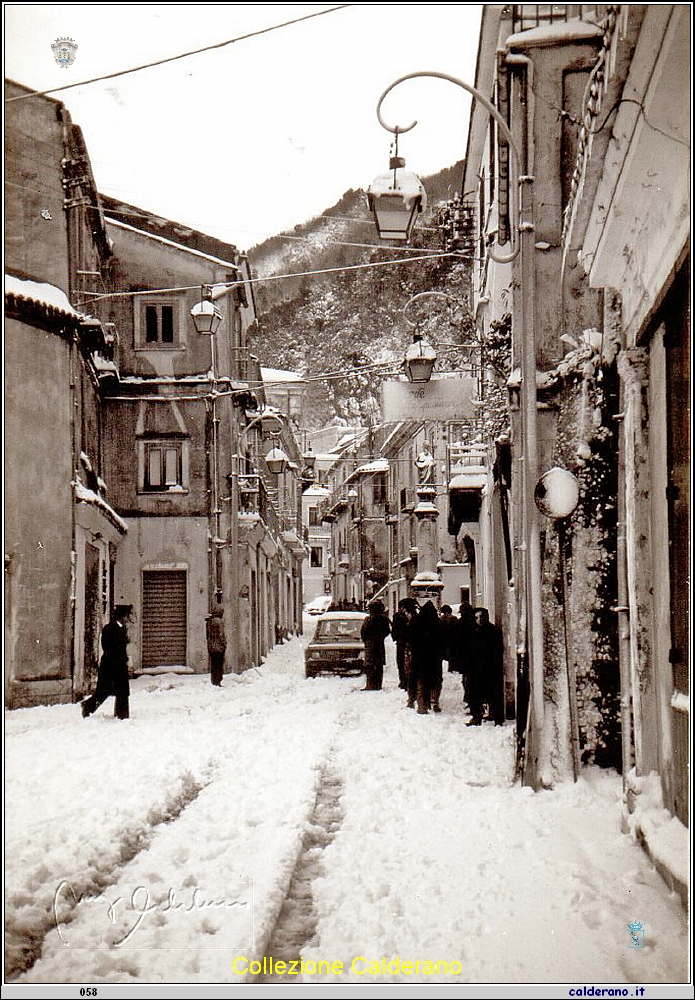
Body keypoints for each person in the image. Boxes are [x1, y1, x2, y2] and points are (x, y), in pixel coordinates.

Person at [81, 604, 133, 719]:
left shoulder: (122, 628)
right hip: (110, 666)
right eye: (127, 615)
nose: (128, 618)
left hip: (119, 665)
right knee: (104, 691)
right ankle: (88, 706)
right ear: (122, 616)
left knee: (123, 691)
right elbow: (108, 647)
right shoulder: (109, 629)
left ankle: (122, 715)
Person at [466, 607, 505, 726]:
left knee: (494, 694)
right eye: (476, 617)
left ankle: (497, 717)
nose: (479, 620)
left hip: (491, 667)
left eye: (481, 617)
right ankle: (476, 716)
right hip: (476, 668)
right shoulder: (473, 631)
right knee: (474, 693)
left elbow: (498, 649)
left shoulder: (493, 631)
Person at [408, 600, 444, 714]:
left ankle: (421, 704)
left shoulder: (416, 622)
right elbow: (443, 641)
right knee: (435, 681)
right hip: (434, 658)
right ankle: (434, 702)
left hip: (419, 658)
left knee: (419, 680)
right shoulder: (438, 623)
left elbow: (410, 640)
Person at [360, 599, 391, 691]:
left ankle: (370, 684)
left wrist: (367, 640)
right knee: (378, 665)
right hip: (378, 644)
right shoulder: (384, 619)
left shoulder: (368, 619)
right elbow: (387, 631)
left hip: (371, 644)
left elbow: (363, 632)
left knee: (370, 665)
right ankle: (377, 684)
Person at [391, 598, 415, 691]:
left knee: (402, 663)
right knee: (405, 663)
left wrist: (397, 637)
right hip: (408, 643)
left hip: (403, 643)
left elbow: (394, 630)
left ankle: (404, 681)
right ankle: (405, 681)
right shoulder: (415, 616)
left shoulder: (398, 616)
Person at [206, 606, 227, 686]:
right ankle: (218, 681)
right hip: (219, 647)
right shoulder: (219, 622)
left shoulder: (209, 622)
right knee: (219, 664)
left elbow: (207, 635)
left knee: (213, 664)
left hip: (211, 646)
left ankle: (213, 680)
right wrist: (224, 644)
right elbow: (221, 634)